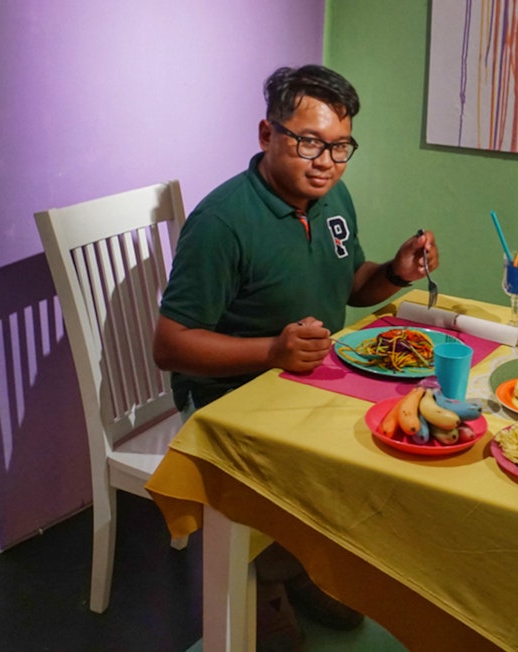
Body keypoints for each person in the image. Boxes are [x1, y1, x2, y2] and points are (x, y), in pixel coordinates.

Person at [153, 64, 437, 648]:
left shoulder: (334, 199)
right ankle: (265, 581)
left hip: (308, 377)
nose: (326, 161)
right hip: (227, 396)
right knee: (322, 450)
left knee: (382, 438)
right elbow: (169, 345)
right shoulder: (223, 222)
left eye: (339, 147)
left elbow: (349, 286)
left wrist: (393, 272)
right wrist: (272, 352)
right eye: (308, 142)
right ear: (266, 134)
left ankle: (302, 565)